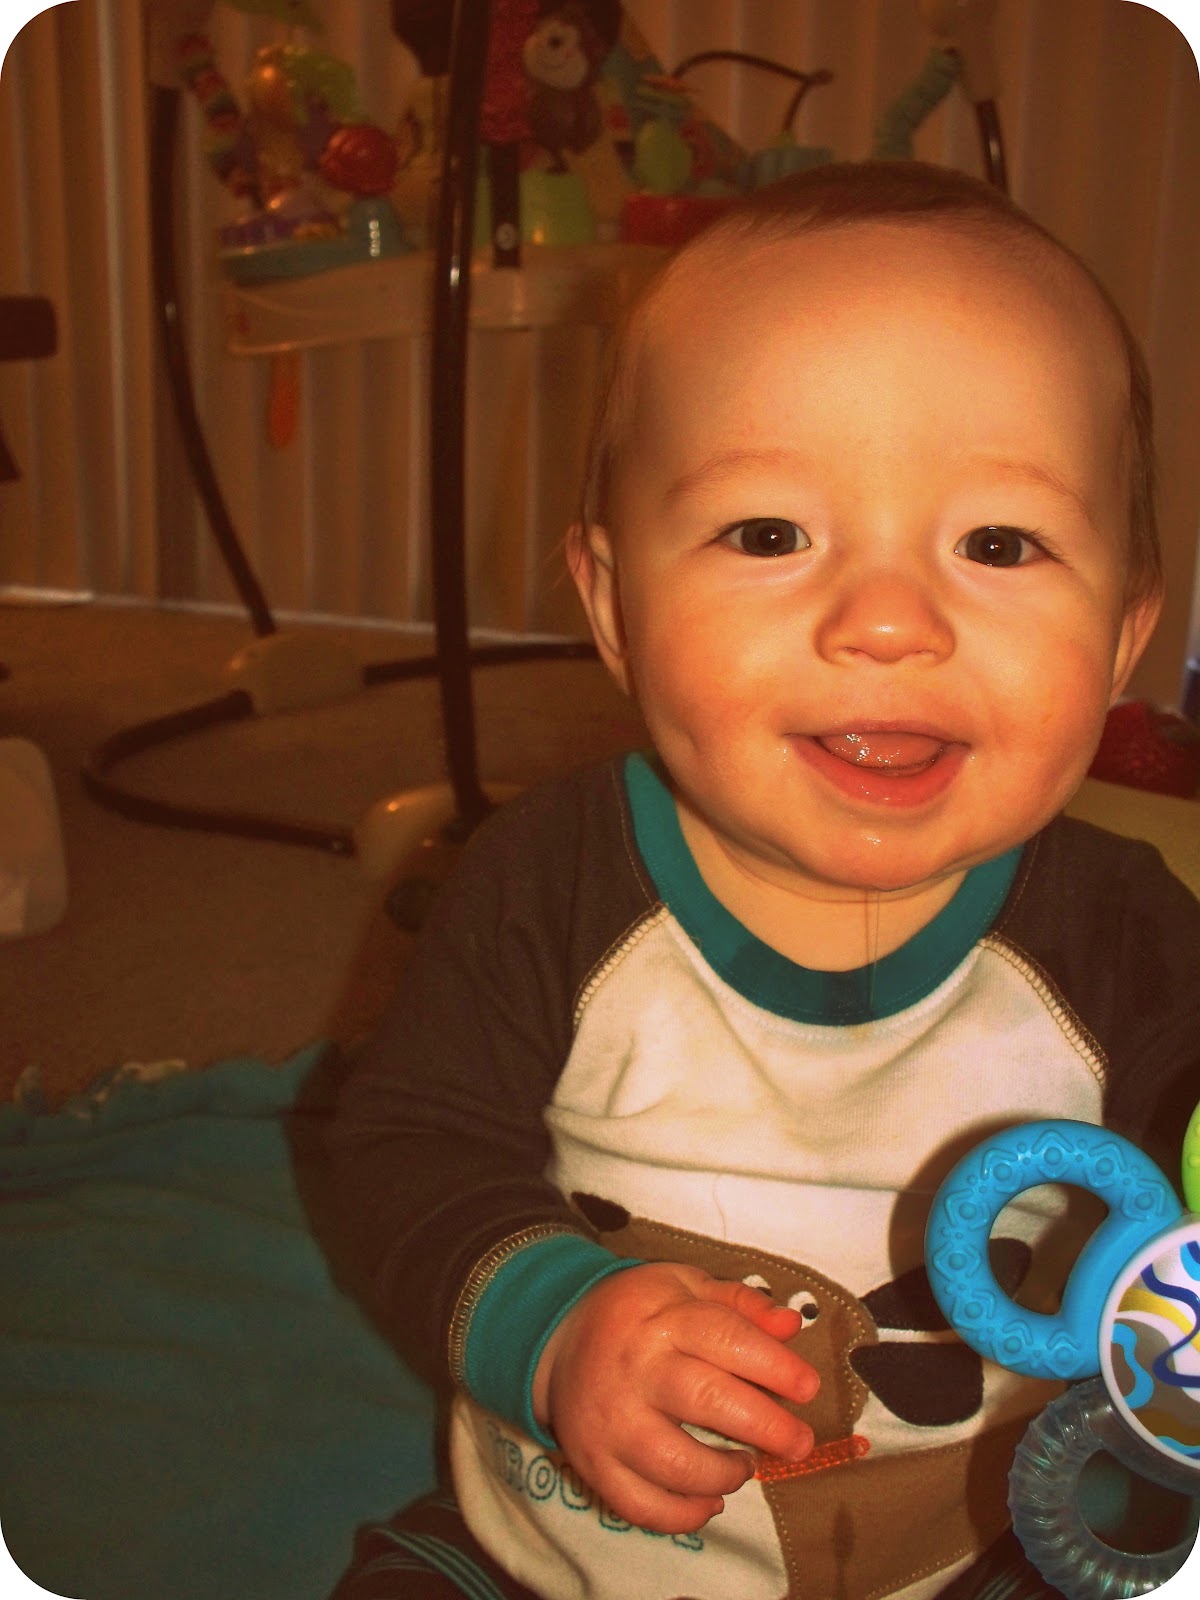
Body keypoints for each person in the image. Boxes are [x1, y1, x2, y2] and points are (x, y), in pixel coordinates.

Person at [325, 160, 1200, 1600]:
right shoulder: (544, 884)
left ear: (1120, 638)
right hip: (556, 1544)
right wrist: (551, 1324)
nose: (888, 621)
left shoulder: (1125, 932)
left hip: (990, 1546)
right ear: (614, 604)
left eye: (997, 543)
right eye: (770, 533)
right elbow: (402, 1152)